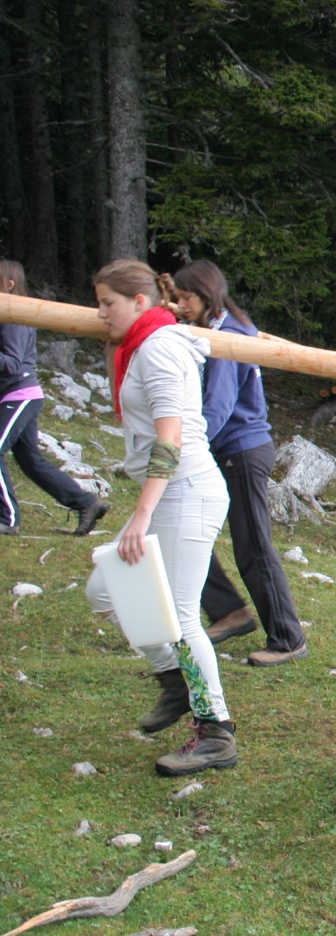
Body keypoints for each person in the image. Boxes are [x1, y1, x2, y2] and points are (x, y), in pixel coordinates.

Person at [86, 259, 237, 776]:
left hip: (187, 490)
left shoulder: (161, 349)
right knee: (105, 591)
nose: (100, 312)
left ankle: (215, 730)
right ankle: (175, 680)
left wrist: (140, 513)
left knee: (180, 616)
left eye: (108, 303)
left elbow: (170, 438)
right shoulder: (139, 346)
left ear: (140, 303)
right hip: (169, 493)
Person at [168, 261, 309, 667]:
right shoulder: (220, 329)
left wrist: (188, 448)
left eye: (186, 298)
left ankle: (288, 638)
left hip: (241, 450)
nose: (181, 305)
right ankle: (229, 611)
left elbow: (218, 405)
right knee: (183, 528)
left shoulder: (229, 338)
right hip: (228, 449)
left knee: (253, 546)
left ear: (206, 295)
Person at [0, 259, 110, 537]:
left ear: (9, 284)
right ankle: (87, 503)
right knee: (30, 461)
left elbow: (12, 363)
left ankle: (7, 518)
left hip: (19, 393)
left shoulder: (14, 314)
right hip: (17, 394)